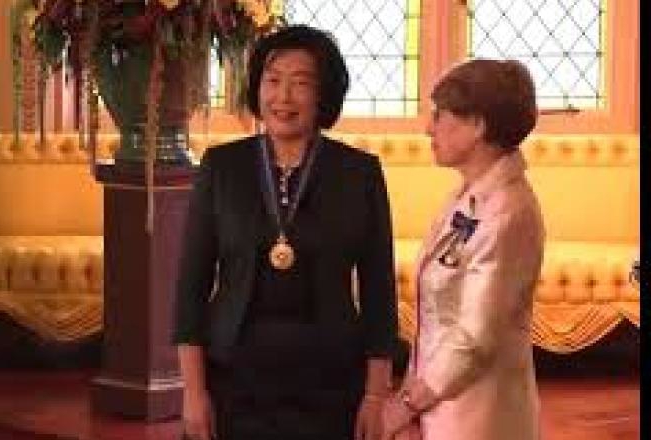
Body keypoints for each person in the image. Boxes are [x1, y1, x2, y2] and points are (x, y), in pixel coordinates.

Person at [172, 24, 398, 440]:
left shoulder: (359, 174)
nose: (284, 97)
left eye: (301, 84)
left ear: (323, 95)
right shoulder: (221, 168)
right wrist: (193, 392)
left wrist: (375, 398)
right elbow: (190, 290)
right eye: (272, 81)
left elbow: (380, 293)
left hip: (330, 383)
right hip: (232, 381)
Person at [381, 58, 545, 440]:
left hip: (479, 416)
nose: (428, 129)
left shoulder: (507, 213)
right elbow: (438, 319)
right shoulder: (468, 194)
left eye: (440, 116)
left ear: (477, 126)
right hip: (444, 403)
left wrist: (407, 404)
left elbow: (475, 337)